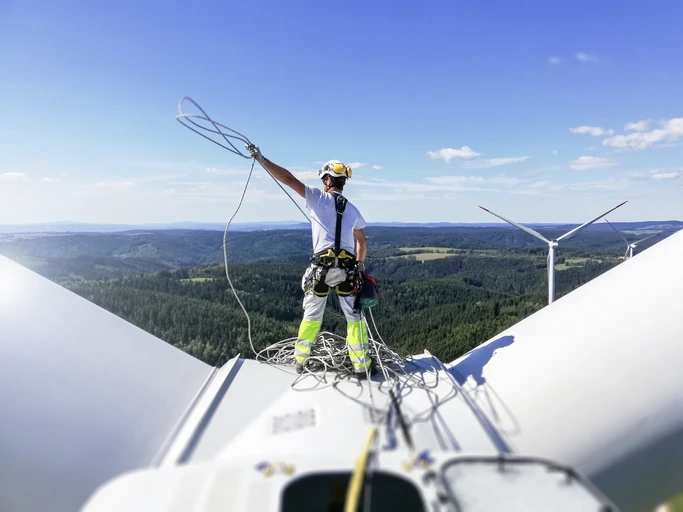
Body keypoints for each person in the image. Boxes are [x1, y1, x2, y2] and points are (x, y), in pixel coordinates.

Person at [246, 144, 372, 377]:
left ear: (326, 180)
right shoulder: (353, 210)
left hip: (321, 271)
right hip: (346, 271)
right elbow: (361, 242)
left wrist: (263, 160)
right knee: (354, 319)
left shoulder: (318, 198)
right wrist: (359, 265)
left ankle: (300, 362)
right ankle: (362, 366)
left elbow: (288, 179)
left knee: (312, 317)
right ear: (343, 182)